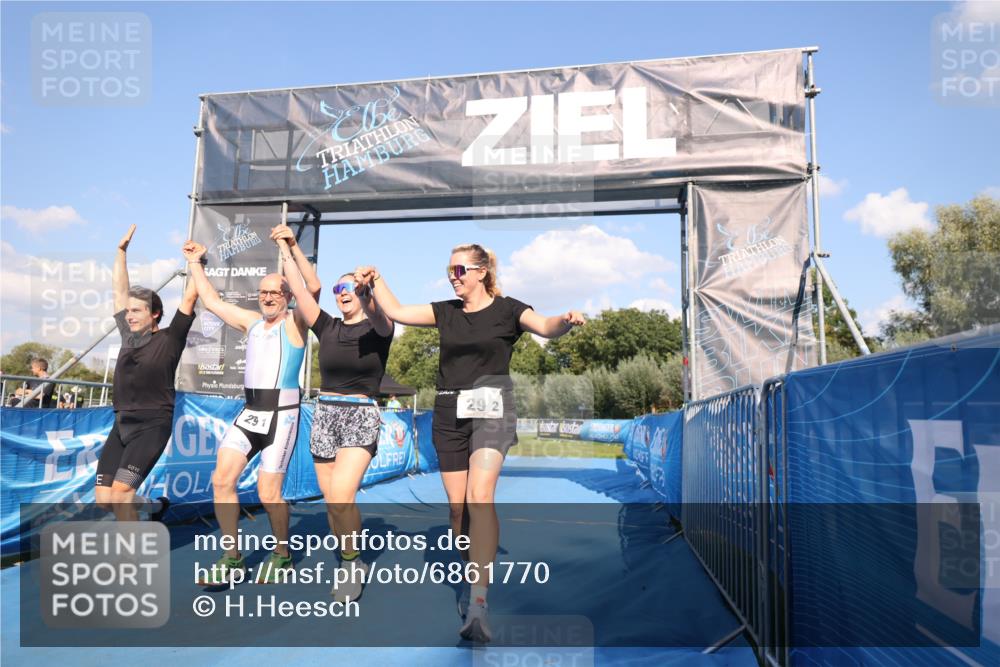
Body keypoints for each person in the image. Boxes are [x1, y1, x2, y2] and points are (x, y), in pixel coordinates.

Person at [355, 243, 585, 642]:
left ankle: (479, 599)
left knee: (481, 498)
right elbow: (396, 312)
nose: (453, 276)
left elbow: (547, 326)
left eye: (460, 269)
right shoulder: (445, 311)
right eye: (449, 270)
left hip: (493, 407)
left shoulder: (509, 309)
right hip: (448, 413)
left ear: (482, 271)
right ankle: (470, 565)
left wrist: (565, 320)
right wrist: (377, 280)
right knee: (459, 513)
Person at [270, 224, 393, 603]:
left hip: (360, 415)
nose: (343, 295)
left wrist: (368, 289)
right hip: (325, 415)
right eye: (339, 290)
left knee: (342, 493)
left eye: (350, 290)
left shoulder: (379, 330)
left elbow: (381, 315)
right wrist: (287, 248)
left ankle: (353, 563)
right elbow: (303, 293)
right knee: (332, 502)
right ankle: (348, 553)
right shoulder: (326, 326)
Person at [183, 235, 311, 586]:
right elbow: (209, 300)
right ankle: (232, 557)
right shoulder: (252, 322)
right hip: (250, 411)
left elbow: (309, 290)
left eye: (276, 292)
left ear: (287, 297)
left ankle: (282, 552)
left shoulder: (295, 325)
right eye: (264, 292)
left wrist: (286, 251)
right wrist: (195, 262)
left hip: (282, 416)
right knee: (222, 480)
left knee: (269, 493)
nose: (268, 297)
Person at [95, 224, 198, 522]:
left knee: (122, 496)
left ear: (155, 314)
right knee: (105, 500)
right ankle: (154, 506)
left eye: (136, 311)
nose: (129, 315)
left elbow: (190, 298)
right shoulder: (128, 337)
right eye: (128, 312)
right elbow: (119, 291)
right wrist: (120, 252)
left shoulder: (170, 338)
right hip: (122, 424)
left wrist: (195, 262)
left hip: (152, 426)